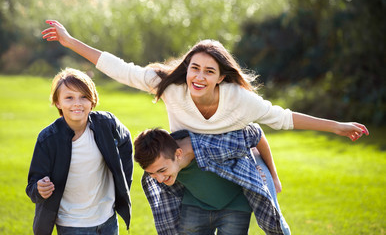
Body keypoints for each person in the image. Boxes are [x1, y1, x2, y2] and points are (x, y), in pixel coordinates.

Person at [41, 20, 369, 193]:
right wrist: (69, 41)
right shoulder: (170, 85)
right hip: (188, 164)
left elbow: (283, 119)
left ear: (221, 77)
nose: (199, 76)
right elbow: (118, 67)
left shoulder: (239, 99)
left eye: (209, 71)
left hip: (234, 160)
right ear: (187, 68)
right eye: (194, 68)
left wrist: (338, 127)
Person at [26, 68, 133, 235]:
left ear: (93, 100)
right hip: (72, 225)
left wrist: (123, 183)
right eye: (69, 98)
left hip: (108, 220)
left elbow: (126, 143)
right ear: (58, 103)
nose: (77, 103)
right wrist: (40, 189)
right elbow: (32, 186)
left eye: (84, 96)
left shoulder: (107, 124)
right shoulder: (48, 139)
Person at [134, 124, 289, 235]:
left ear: (179, 154)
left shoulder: (214, 145)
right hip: (195, 204)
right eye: (152, 174)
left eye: (162, 171)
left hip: (235, 205)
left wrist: (273, 177)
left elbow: (256, 133)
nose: (159, 179)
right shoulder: (162, 161)